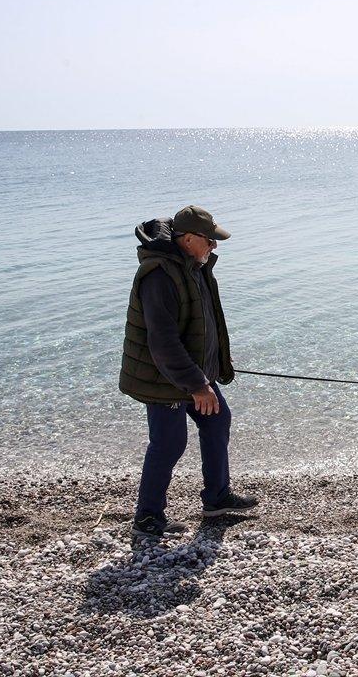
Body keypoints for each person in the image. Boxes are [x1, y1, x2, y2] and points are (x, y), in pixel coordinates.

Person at [119, 205, 258, 539]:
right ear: (189, 238)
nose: (214, 246)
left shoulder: (194, 266)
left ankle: (217, 498)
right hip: (163, 377)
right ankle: (148, 518)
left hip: (193, 373)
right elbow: (163, 343)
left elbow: (203, 326)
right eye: (209, 240)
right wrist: (197, 384)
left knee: (217, 419)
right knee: (169, 444)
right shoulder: (160, 275)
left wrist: (213, 367)